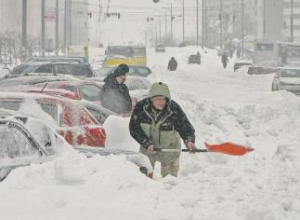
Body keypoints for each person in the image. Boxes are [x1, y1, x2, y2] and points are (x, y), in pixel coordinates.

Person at [129, 82, 197, 177]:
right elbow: (134, 128)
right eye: (158, 99)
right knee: (144, 181)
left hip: (170, 152)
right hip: (147, 151)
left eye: (164, 99)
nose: (162, 102)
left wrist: (189, 141)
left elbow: (185, 127)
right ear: (151, 99)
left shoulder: (174, 109)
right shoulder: (141, 108)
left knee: (169, 184)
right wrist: (146, 143)